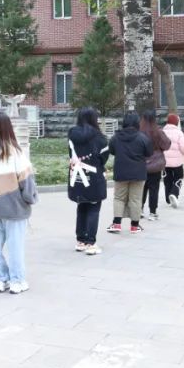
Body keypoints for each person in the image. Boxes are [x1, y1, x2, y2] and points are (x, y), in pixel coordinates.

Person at [0, 112, 39, 294]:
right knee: (15, 247)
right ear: (8, 128)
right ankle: (17, 281)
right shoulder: (15, 151)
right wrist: (30, 200)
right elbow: (27, 182)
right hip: (14, 207)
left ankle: (0, 280)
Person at [67, 107, 109, 256]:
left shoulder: (72, 135)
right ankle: (91, 243)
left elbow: (71, 154)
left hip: (77, 178)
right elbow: (104, 158)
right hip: (94, 177)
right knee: (93, 208)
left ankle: (81, 241)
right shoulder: (100, 138)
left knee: (82, 207)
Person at [108, 112, 152, 234]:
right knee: (136, 199)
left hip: (121, 172)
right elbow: (149, 153)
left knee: (119, 198)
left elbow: (112, 151)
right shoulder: (143, 138)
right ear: (137, 123)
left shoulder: (116, 137)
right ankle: (134, 226)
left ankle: (116, 224)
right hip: (138, 173)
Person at [139, 110, 171, 221]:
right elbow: (167, 145)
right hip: (155, 165)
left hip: (141, 164)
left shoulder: (138, 132)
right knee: (154, 189)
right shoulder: (158, 132)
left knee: (141, 188)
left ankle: (140, 210)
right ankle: (152, 213)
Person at [161, 113, 184, 208]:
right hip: (177, 162)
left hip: (165, 162)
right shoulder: (179, 133)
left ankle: (168, 199)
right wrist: (183, 154)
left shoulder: (162, 132)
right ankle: (174, 193)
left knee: (167, 180)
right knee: (178, 178)